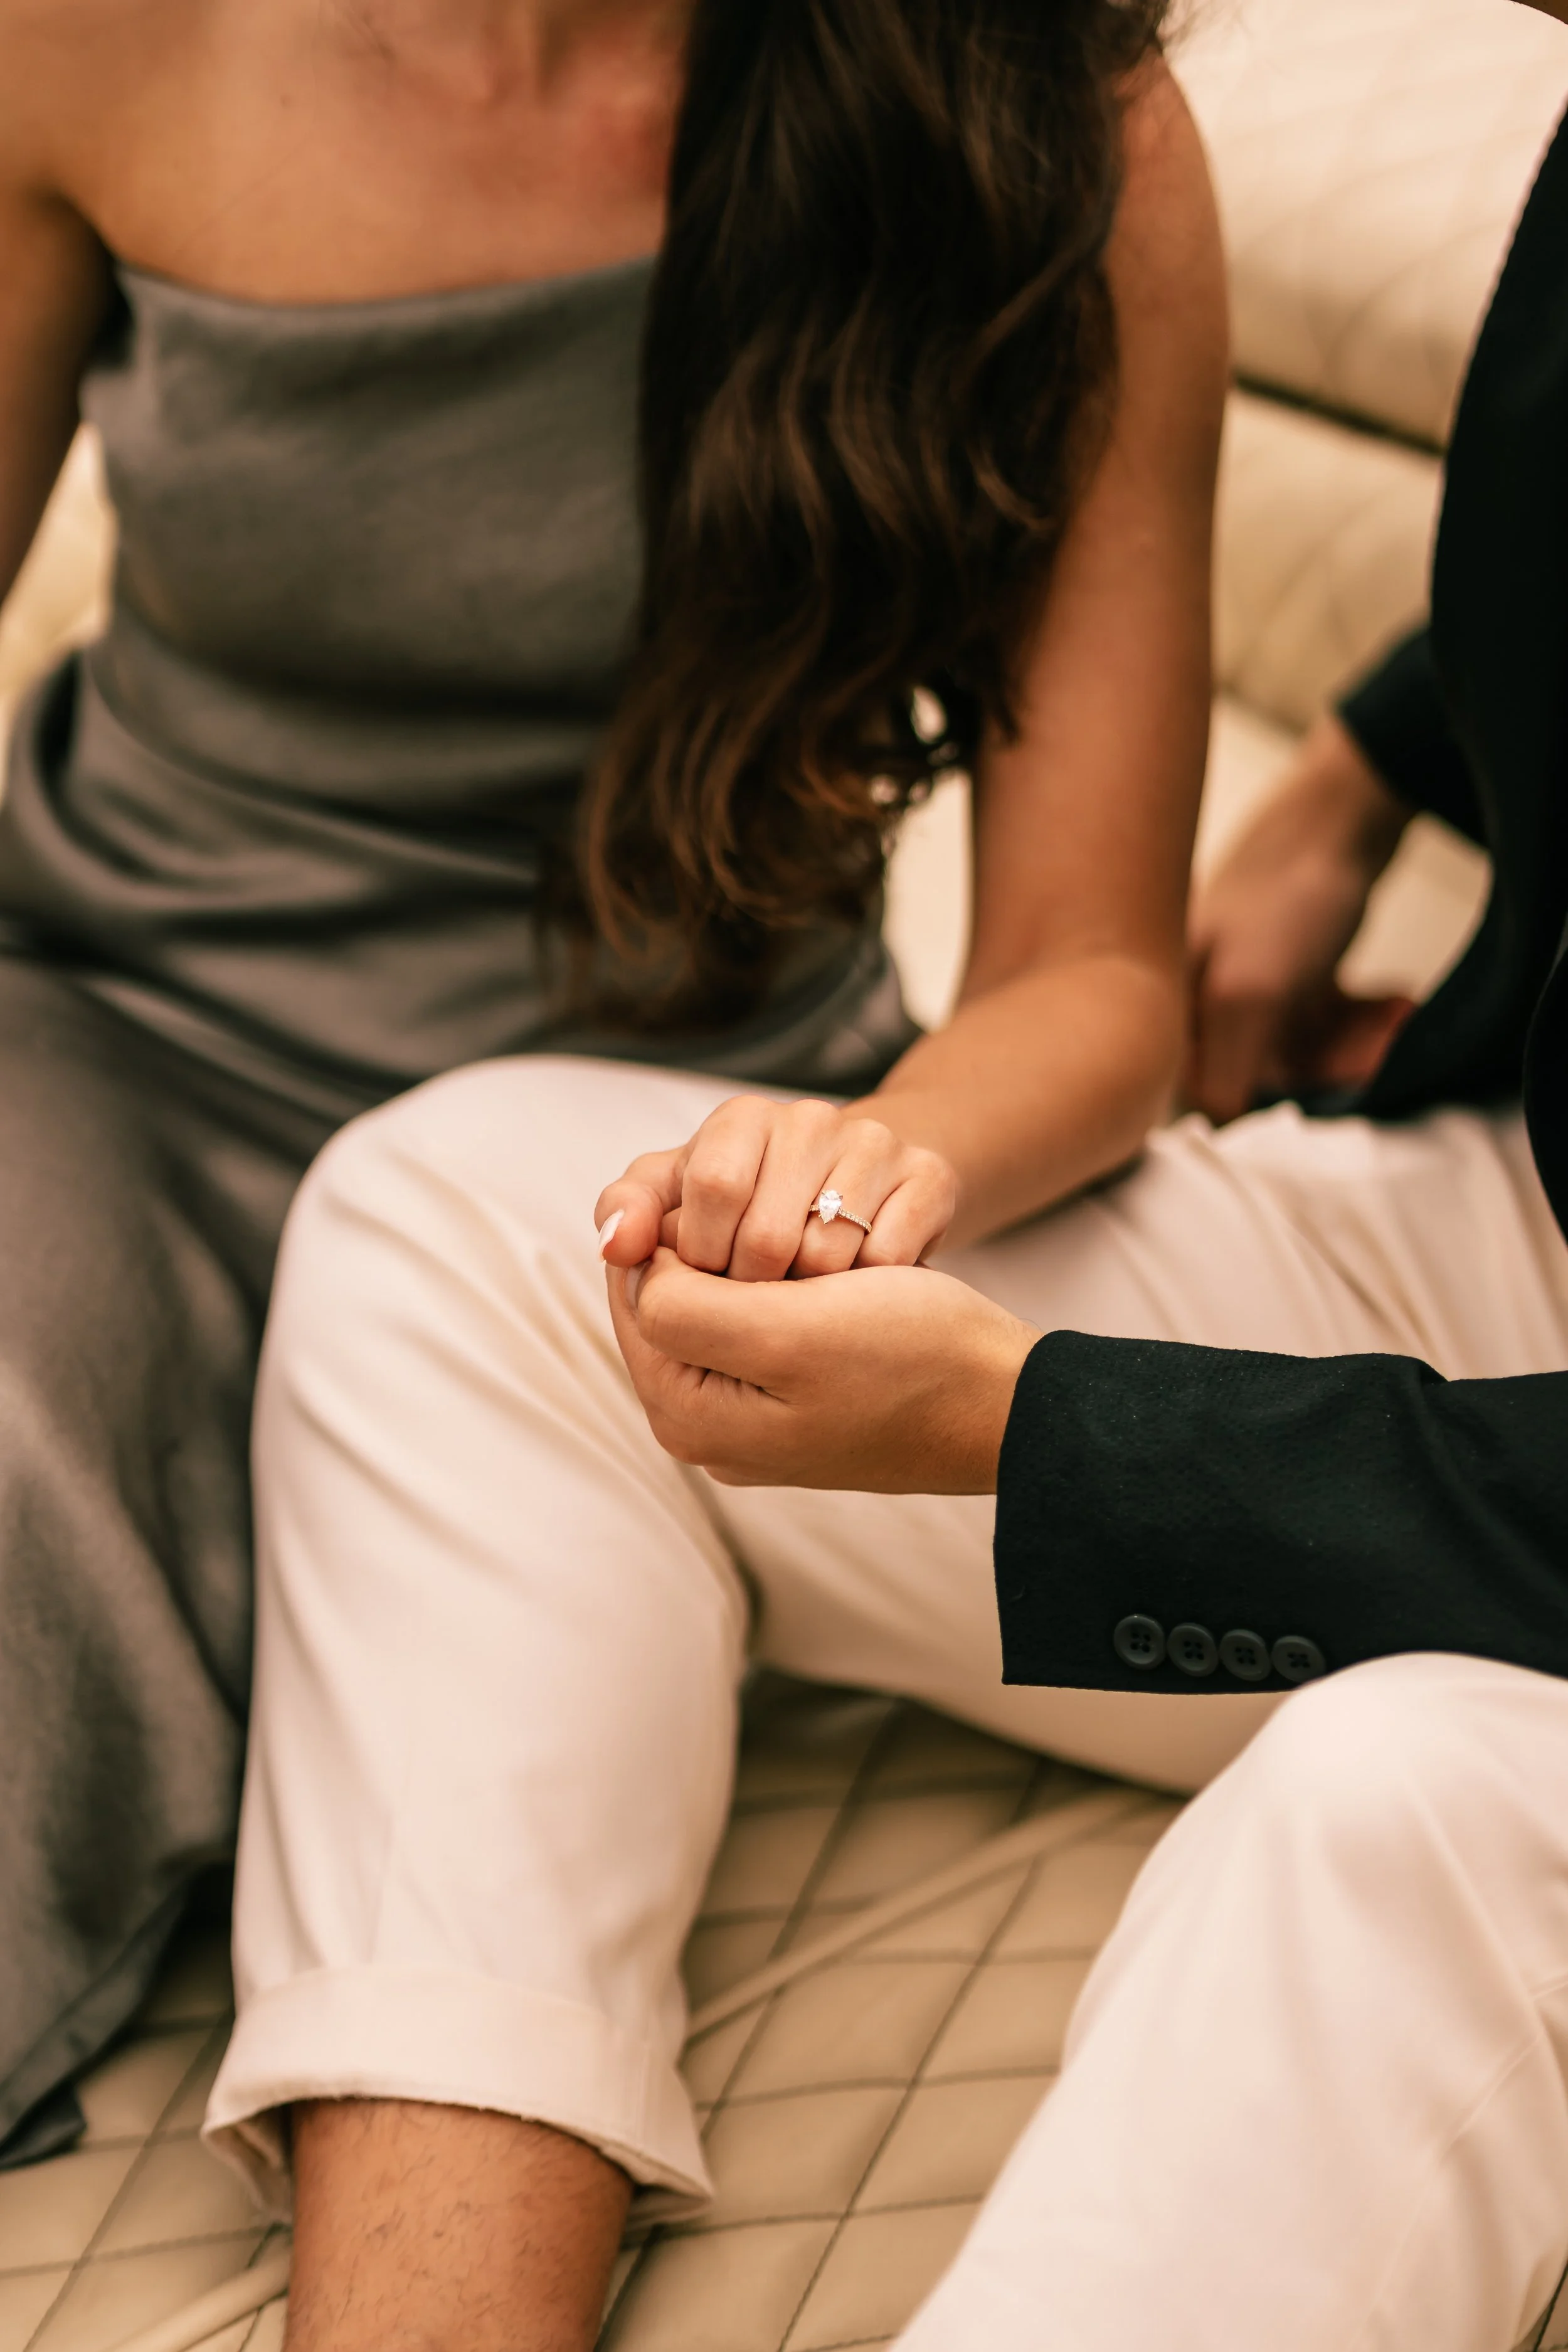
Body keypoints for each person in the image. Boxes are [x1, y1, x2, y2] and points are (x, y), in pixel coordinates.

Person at [0, 0, 1222, 2173]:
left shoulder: (1053, 113)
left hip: (651, 1169)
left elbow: (1091, 961)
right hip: (116, 1035)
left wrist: (851, 1176)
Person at [596, 19, 1568, 2352]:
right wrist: (1365, 756)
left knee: (1391, 1813)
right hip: (1504, 1201)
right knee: (469, 1219)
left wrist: (1031, 1428)